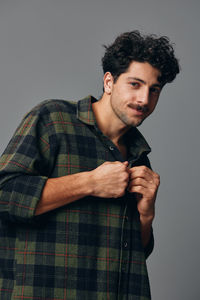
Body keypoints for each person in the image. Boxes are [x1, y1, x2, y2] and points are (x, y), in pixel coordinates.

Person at [0, 30, 180, 300]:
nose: (144, 99)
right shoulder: (53, 119)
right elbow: (5, 195)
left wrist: (146, 216)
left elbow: (135, 254)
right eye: (135, 84)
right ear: (109, 81)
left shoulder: (139, 157)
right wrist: (90, 182)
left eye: (154, 90)